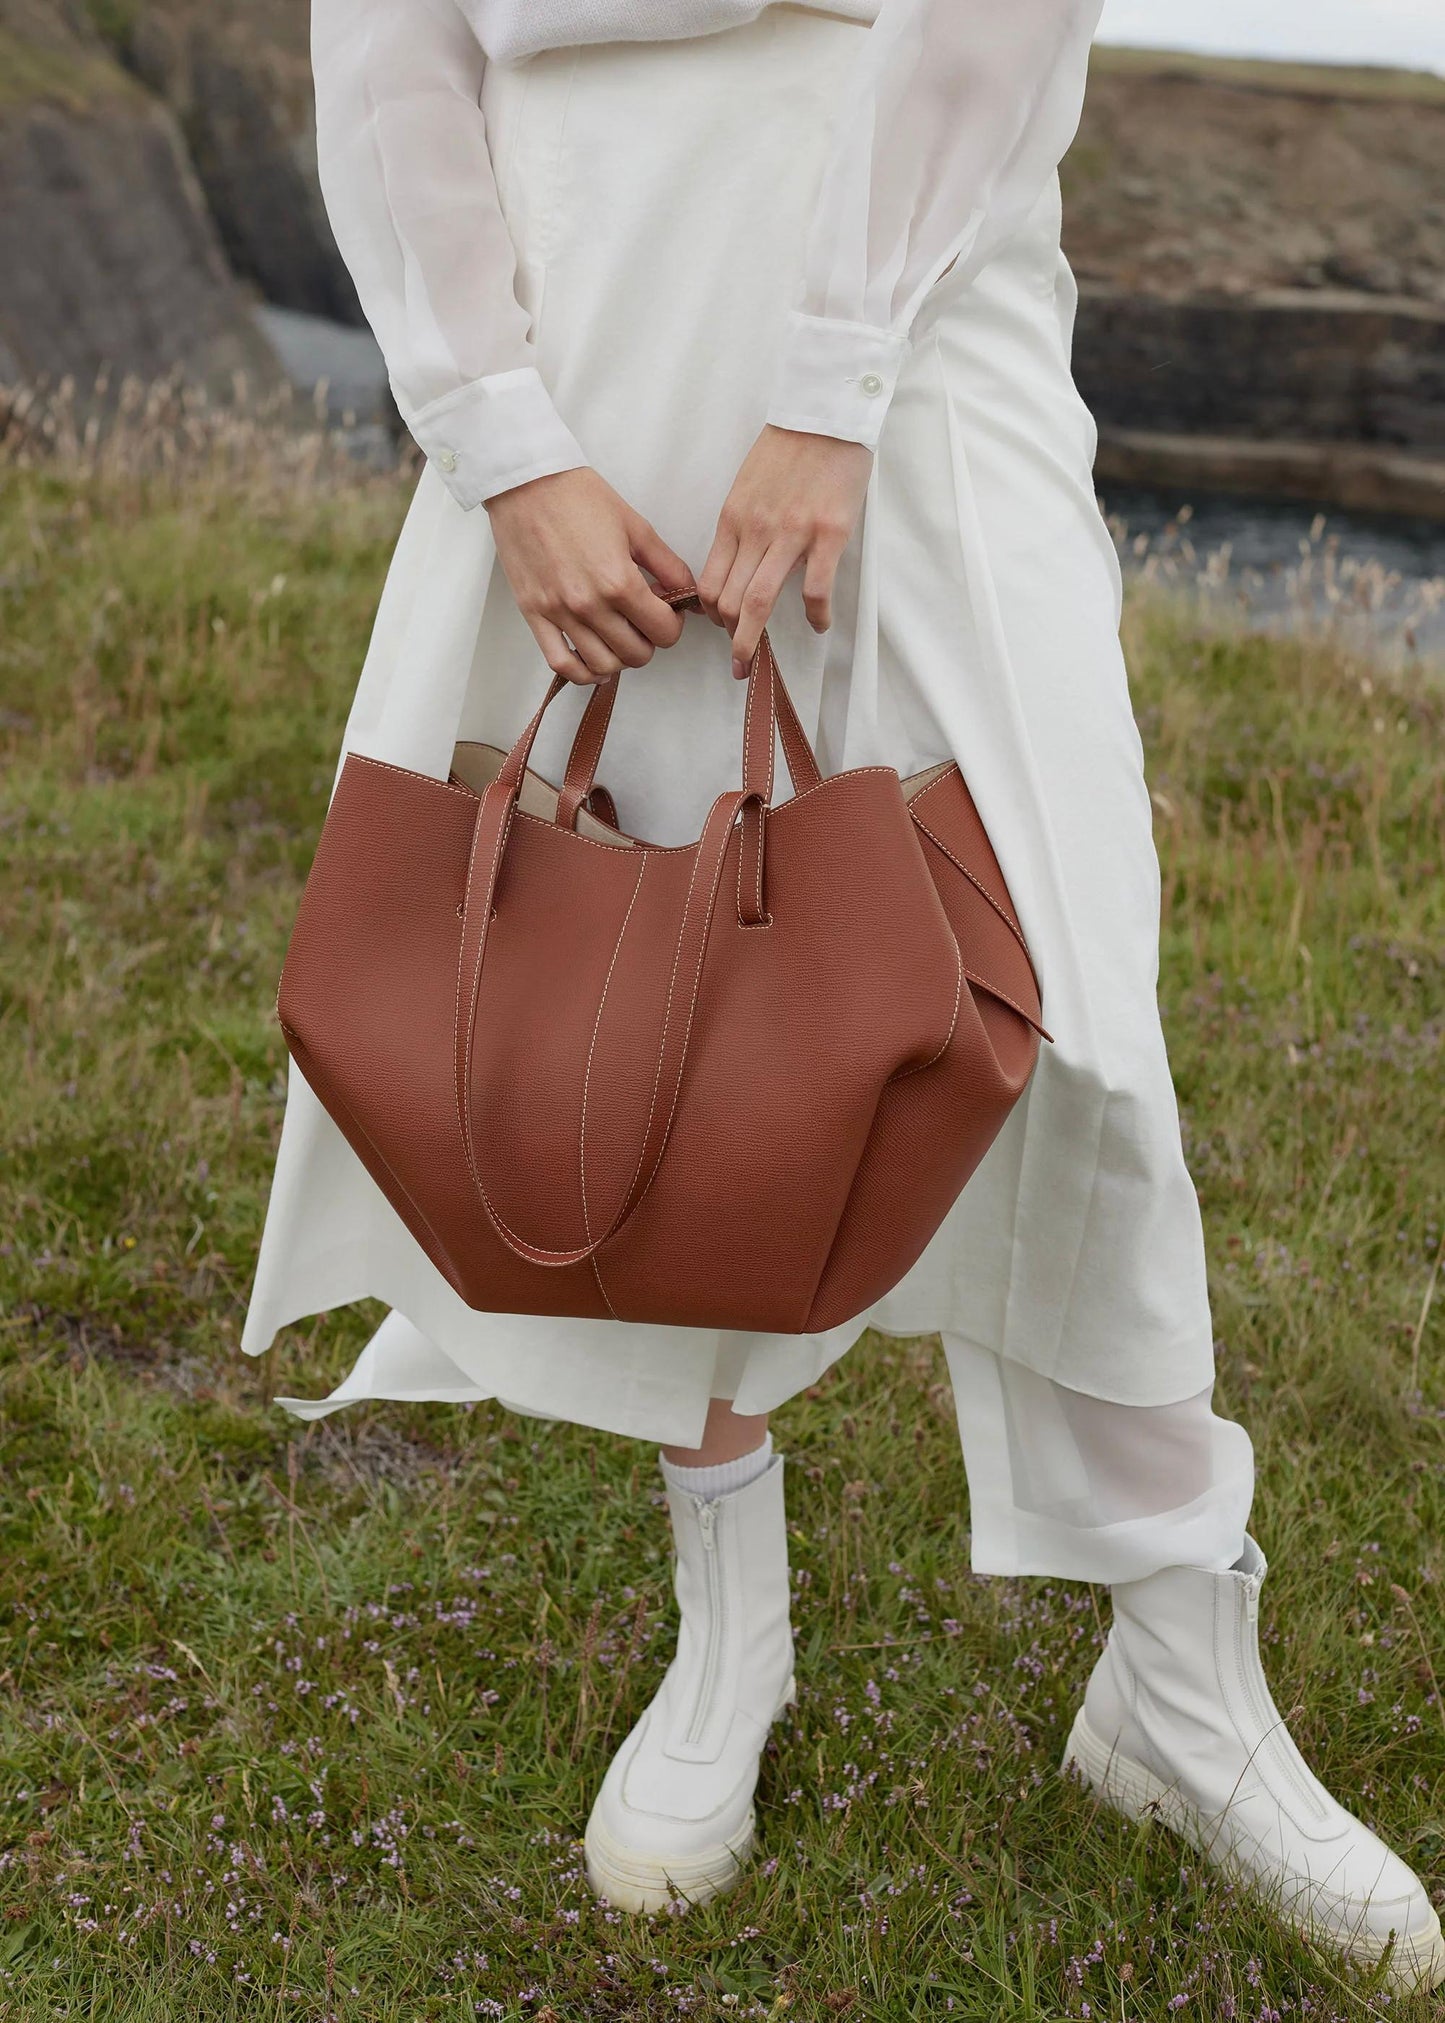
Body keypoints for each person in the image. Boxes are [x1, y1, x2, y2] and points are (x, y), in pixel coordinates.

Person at [240, 0, 1443, 1985]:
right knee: (663, 1013)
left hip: (922, 292)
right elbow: (383, 40)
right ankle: (733, 1625)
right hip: (585, 306)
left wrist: (834, 372)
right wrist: (498, 436)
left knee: (1067, 1005)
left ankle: (1175, 1670)